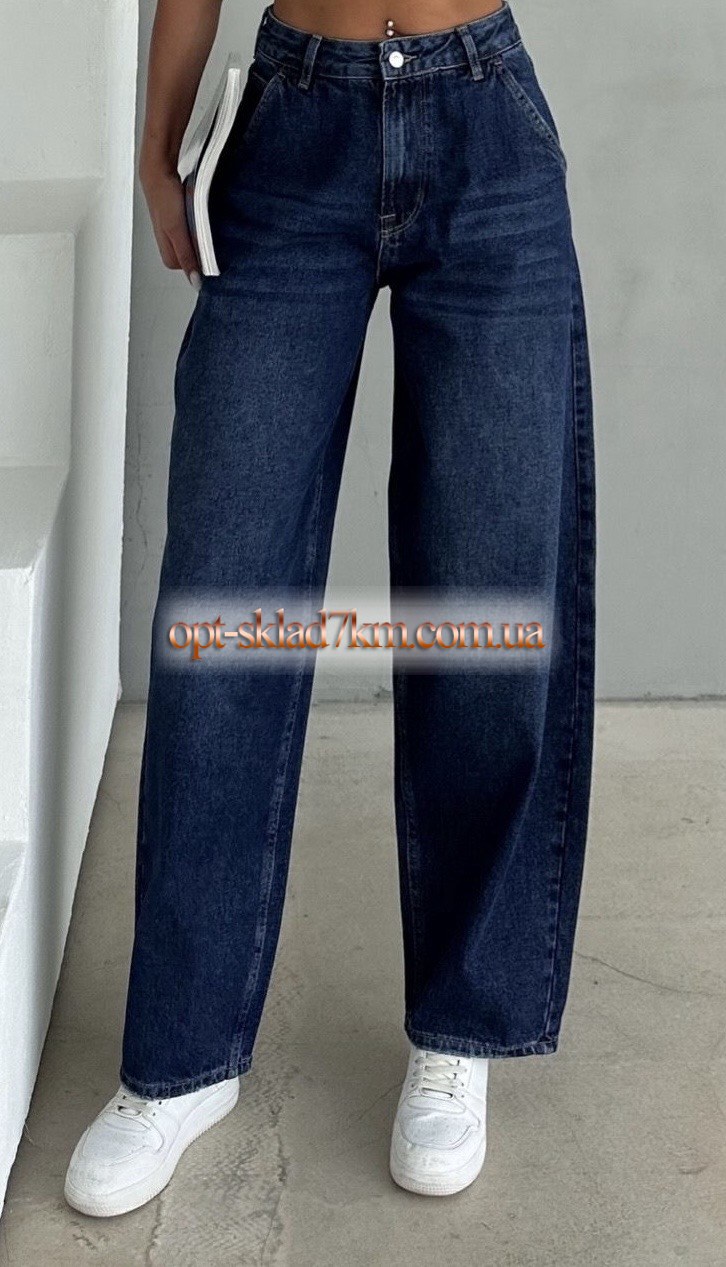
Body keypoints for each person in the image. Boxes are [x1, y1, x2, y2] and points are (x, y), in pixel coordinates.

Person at [64, 0, 595, 1215]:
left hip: (486, 120)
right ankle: (180, 1060)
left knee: (489, 599)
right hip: (291, 126)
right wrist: (157, 143)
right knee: (226, 602)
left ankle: (459, 1030)